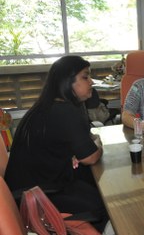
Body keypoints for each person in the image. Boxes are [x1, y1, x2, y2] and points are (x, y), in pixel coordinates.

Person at [4, 55, 109, 233]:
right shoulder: (64, 111)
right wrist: (99, 145)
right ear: (67, 82)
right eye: (85, 76)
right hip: (35, 195)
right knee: (106, 203)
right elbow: (90, 157)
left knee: (93, 182)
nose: (91, 81)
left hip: (33, 185)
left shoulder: (49, 105)